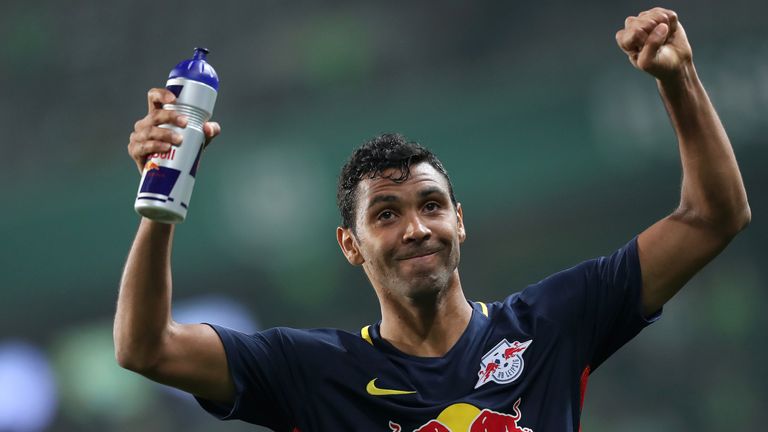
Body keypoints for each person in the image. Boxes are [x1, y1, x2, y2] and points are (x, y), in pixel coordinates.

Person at [115, 7, 750, 431]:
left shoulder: (554, 323)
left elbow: (713, 217)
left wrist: (679, 78)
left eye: (431, 205)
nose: (416, 228)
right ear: (351, 245)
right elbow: (146, 348)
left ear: (460, 221)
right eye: (386, 214)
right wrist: (162, 200)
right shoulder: (312, 371)